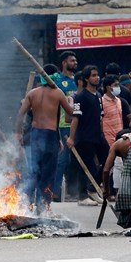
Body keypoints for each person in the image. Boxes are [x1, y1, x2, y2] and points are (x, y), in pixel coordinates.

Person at [15, 65, 73, 212]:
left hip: (36, 134)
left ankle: (27, 203)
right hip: (49, 135)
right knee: (48, 173)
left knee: (35, 171)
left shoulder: (33, 93)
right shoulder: (58, 93)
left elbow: (20, 114)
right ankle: (43, 206)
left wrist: (18, 133)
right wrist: (71, 100)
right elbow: (70, 114)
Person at [67, 65, 109, 206]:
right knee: (84, 167)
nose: (96, 77)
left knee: (109, 160)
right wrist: (72, 138)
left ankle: (93, 187)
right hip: (85, 137)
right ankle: (82, 196)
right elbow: (75, 119)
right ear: (86, 78)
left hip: (98, 136)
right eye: (93, 75)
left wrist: (102, 133)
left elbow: (100, 118)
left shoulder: (98, 96)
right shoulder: (80, 97)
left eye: (97, 75)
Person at [53, 51, 78, 201]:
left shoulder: (78, 80)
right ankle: (55, 192)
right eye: (72, 60)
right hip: (63, 125)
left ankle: (75, 192)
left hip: (78, 124)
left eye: (75, 60)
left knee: (76, 160)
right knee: (62, 159)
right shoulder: (58, 81)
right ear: (64, 63)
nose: (75, 63)